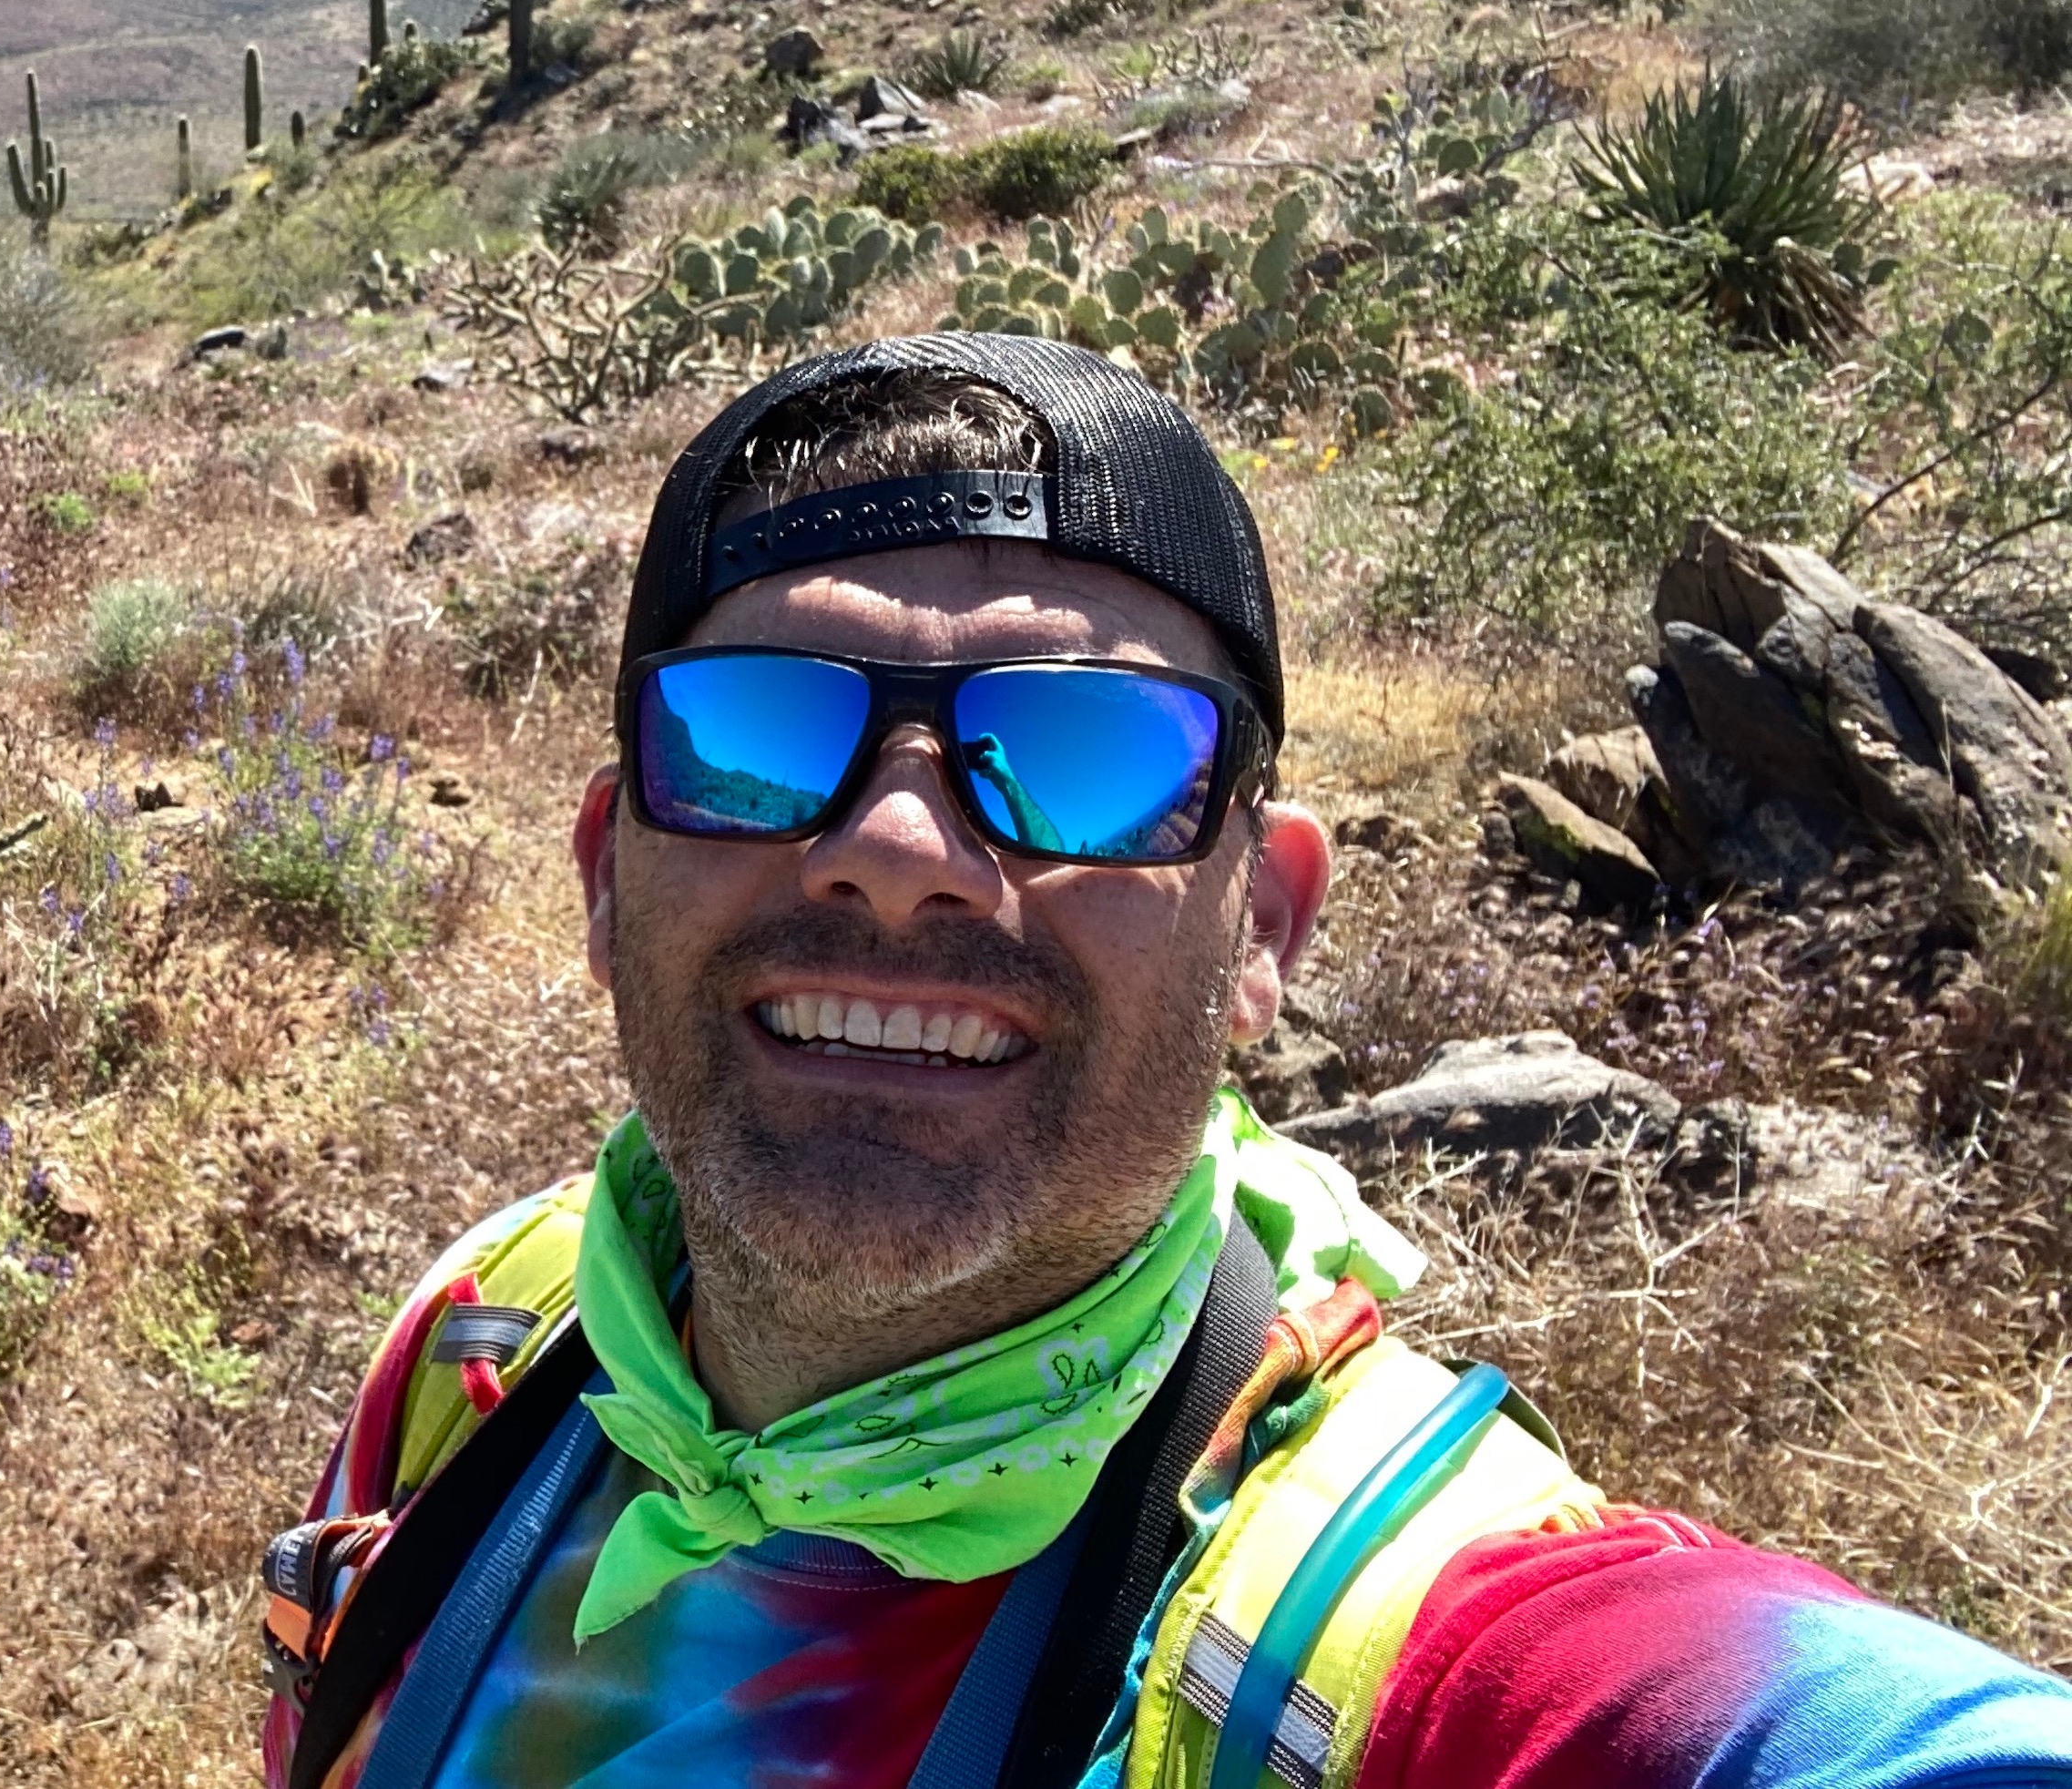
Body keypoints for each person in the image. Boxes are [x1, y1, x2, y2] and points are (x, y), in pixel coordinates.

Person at [261, 333, 2072, 1789]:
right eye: (753, 733)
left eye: (1089, 750)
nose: (896, 842)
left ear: (1263, 930)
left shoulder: (1377, 1635)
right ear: (601, 872)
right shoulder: (493, 1343)